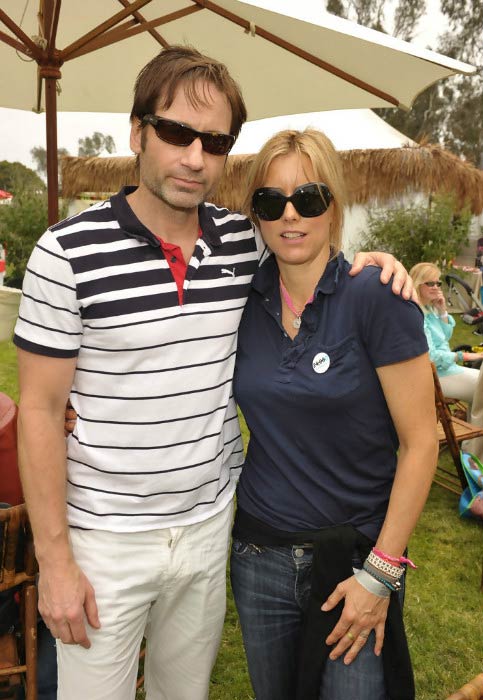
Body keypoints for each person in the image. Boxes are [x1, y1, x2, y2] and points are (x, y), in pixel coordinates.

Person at [14, 45, 413, 700]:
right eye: (175, 133)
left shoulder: (244, 240)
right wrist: (54, 561)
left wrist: (374, 259)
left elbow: (306, 236)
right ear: (137, 131)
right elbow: (37, 410)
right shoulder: (66, 254)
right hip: (104, 538)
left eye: (215, 141)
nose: (195, 157)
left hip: (208, 529)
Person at [230, 129, 439, 700]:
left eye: (310, 198)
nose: (290, 216)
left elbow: (422, 443)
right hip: (259, 556)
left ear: (334, 205)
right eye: (271, 202)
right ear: (256, 213)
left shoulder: (377, 296)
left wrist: (381, 572)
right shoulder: (240, 301)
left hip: (355, 560)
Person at [410, 262, 482, 410]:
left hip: (447, 369)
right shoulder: (418, 315)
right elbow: (431, 358)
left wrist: (442, 310)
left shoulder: (429, 309)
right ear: (417, 284)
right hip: (435, 377)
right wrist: (466, 356)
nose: (436, 287)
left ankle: (475, 427)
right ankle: (477, 430)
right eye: (430, 283)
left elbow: (445, 336)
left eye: (438, 283)